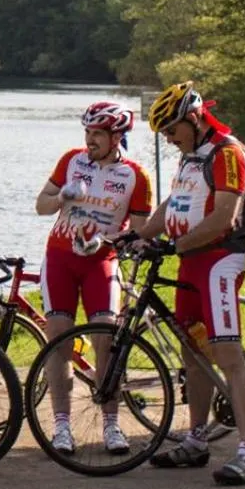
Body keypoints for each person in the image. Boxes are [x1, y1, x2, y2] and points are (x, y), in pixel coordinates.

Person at [134, 81, 245, 485]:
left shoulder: (227, 153)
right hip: (191, 263)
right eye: (164, 134)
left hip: (219, 262)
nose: (169, 139)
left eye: (172, 130)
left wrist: (176, 245)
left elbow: (224, 216)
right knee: (192, 354)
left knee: (228, 355)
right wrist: (138, 236)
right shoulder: (191, 157)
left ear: (194, 118)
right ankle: (196, 440)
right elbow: (172, 203)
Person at [33, 101, 152, 456]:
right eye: (87, 132)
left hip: (101, 261)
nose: (90, 139)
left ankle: (111, 423)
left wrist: (109, 240)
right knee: (59, 341)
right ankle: (62, 426)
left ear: (117, 137)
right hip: (60, 258)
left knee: (105, 338)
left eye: (97, 133)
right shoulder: (72, 161)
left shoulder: (135, 175)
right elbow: (41, 206)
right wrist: (61, 196)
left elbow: (141, 232)